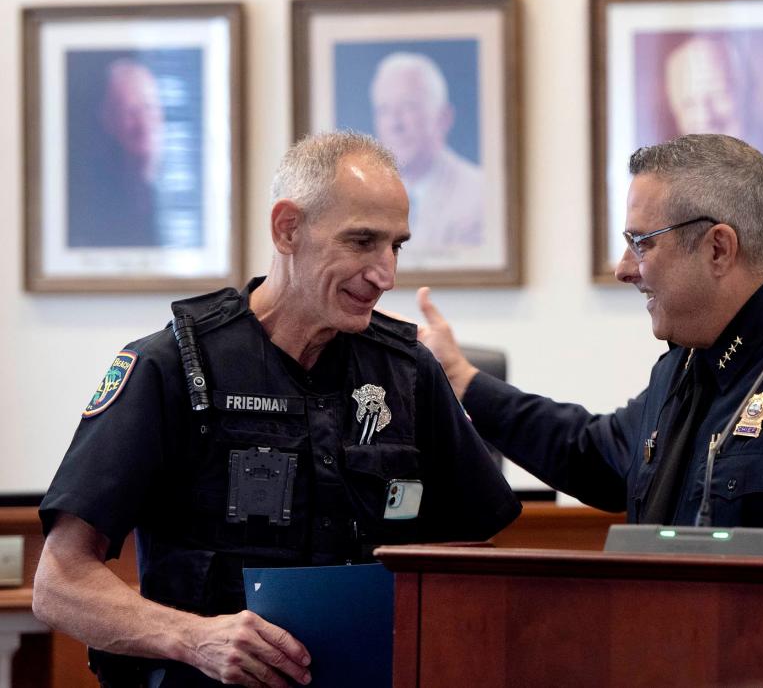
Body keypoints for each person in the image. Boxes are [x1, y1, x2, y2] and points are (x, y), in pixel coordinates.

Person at [34, 132, 520, 687]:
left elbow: (473, 552)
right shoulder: (169, 367)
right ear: (287, 228)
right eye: (362, 242)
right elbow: (60, 583)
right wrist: (196, 638)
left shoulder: (407, 371)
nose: (385, 274)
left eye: (396, 246)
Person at [417, 133, 763, 561]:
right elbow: (590, 453)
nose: (623, 268)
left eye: (640, 243)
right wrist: (464, 380)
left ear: (718, 248)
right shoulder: (685, 366)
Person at [370, 52, 485, 260]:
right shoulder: (361, 198)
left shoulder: (479, 195)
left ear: (443, 118)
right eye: (384, 110)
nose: (395, 124)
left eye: (408, 107)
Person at [69, 58, 167, 247]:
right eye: (131, 112)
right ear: (108, 119)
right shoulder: (92, 203)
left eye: (149, 107)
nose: (143, 123)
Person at [661, 33, 763, 183]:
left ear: (748, 93)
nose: (705, 117)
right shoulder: (666, 185)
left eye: (719, 94)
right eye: (689, 104)